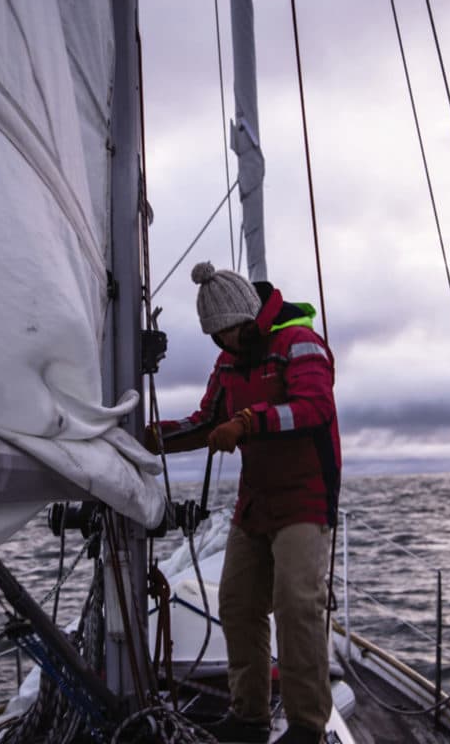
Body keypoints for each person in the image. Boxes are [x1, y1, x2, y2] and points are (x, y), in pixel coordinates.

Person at [147, 261, 341, 744]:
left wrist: (250, 422)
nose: (224, 343)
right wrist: (154, 438)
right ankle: (249, 716)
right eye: (216, 336)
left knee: (296, 606)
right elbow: (207, 420)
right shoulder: (227, 362)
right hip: (256, 501)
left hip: (305, 498)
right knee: (237, 603)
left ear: (248, 318)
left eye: (229, 332)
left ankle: (307, 727)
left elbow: (315, 408)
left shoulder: (300, 344)